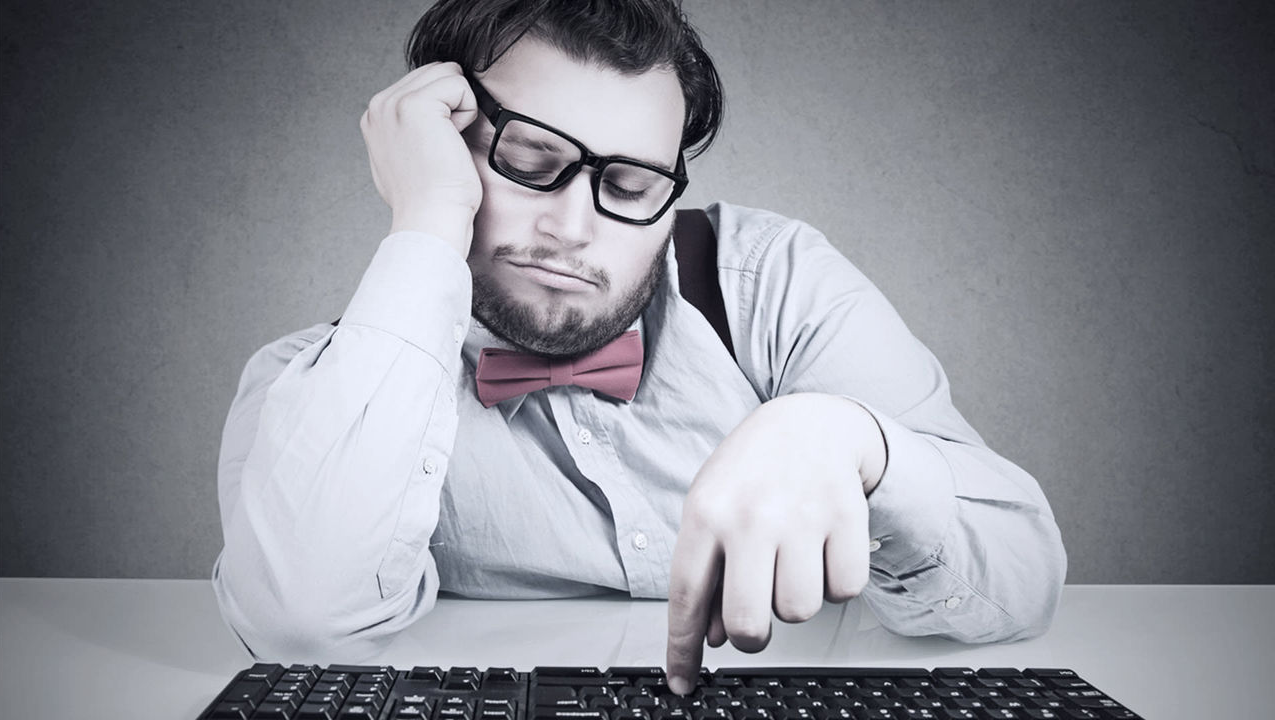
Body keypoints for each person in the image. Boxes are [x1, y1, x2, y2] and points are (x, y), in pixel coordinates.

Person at [212, 0, 1066, 695]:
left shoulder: (771, 283)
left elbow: (1024, 578)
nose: (573, 228)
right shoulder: (317, 389)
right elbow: (299, 627)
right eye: (529, 159)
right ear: (439, 142)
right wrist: (429, 219)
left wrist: (857, 443)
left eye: (628, 185)